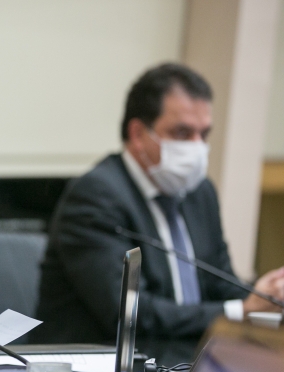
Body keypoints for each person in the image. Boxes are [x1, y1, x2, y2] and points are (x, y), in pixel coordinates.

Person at [34, 63, 284, 344]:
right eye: (182, 133)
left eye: (204, 134)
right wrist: (240, 311)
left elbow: (220, 284)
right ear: (139, 134)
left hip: (181, 362)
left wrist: (269, 298)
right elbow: (131, 314)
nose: (197, 147)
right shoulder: (95, 196)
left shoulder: (200, 192)